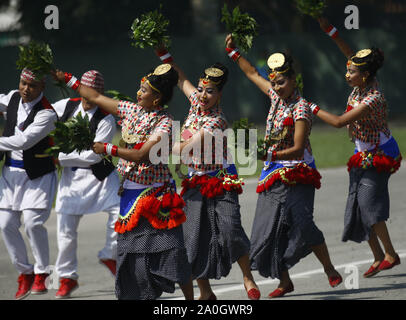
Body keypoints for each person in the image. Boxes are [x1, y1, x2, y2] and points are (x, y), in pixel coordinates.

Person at [52, 64, 194, 300]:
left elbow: (142, 155)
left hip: (156, 195)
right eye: (139, 88)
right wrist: (67, 79)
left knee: (172, 252)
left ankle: (192, 301)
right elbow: (95, 96)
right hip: (129, 194)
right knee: (130, 256)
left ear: (157, 98)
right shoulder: (130, 109)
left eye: (144, 90)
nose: (138, 93)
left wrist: (108, 148)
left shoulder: (165, 123)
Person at [225, 34, 342, 298]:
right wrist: (233, 52)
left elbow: (298, 149)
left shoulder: (300, 108)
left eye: (281, 82)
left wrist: (265, 153)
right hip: (272, 172)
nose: (276, 88)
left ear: (293, 80)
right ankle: (285, 281)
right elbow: (252, 72)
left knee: (303, 223)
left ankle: (329, 267)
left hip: (298, 171)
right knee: (267, 232)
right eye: (274, 83)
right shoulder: (275, 98)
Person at [154, 47, 260, 300]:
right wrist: (163, 54)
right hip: (194, 182)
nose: (203, 95)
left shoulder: (218, 121)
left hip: (220, 179)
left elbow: (186, 147)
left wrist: (153, 145)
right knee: (192, 240)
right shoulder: (194, 102)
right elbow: (180, 78)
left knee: (231, 231)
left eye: (210, 91)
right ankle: (206, 293)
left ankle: (248, 277)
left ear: (219, 95)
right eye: (201, 89)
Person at [313, 17, 402, 278]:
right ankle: (377, 256)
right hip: (361, 152)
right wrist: (329, 30)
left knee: (368, 204)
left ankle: (390, 254)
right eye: (348, 69)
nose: (347, 73)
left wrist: (311, 107)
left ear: (364, 76)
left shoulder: (373, 97)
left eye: (351, 72)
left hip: (380, 153)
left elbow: (339, 122)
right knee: (357, 207)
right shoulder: (362, 78)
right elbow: (348, 52)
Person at [51, 70, 121, 299]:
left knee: (120, 215)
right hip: (71, 180)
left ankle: (110, 254)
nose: (87, 96)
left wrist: (59, 157)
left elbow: (94, 155)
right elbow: (43, 114)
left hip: (100, 177)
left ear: (99, 93)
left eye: (93, 92)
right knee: (65, 232)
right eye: (85, 91)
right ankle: (67, 277)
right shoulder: (66, 106)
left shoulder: (106, 118)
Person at [0, 68, 58, 300]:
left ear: (42, 87)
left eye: (32, 86)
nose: (26, 89)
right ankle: (25, 272)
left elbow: (24, 141)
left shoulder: (47, 114)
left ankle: (42, 272)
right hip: (10, 174)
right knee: (5, 224)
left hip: (37, 176)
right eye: (23, 83)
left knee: (33, 223)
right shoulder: (13, 97)